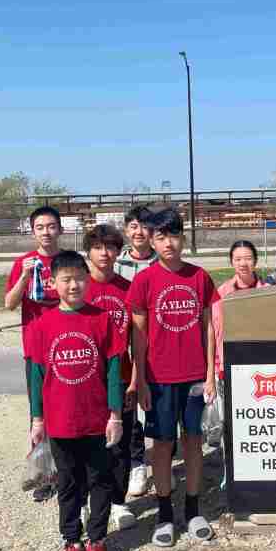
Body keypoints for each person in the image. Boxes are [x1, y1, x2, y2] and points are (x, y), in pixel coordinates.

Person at [27, 250, 125, 551]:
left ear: (88, 280)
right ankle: (72, 542)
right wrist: (37, 420)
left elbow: (114, 369)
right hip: (60, 421)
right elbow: (36, 376)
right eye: (66, 279)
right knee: (67, 484)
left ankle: (97, 541)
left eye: (80, 278)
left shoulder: (101, 320)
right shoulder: (42, 326)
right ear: (52, 284)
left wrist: (115, 415)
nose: (74, 285)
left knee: (100, 479)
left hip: (96, 418)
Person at [127, 208, 219, 547]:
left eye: (174, 236)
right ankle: (165, 513)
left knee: (194, 441)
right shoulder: (144, 281)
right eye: (161, 237)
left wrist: (209, 373)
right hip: (160, 378)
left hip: (194, 375)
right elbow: (138, 336)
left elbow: (209, 327)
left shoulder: (199, 277)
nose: (168, 243)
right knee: (163, 445)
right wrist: (141, 380)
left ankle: (193, 508)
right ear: (152, 240)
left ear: (183, 238)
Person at [83, 224, 139, 532]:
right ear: (88, 252)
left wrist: (135, 380)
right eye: (98, 247)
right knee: (89, 443)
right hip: (87, 380)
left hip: (122, 377)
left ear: (119, 252)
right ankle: (86, 500)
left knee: (120, 444)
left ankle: (118, 502)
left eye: (111, 247)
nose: (105, 253)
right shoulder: (80, 288)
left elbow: (138, 339)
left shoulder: (128, 288)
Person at [5, 206, 62, 502]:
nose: (46, 232)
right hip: (37, 351)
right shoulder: (24, 263)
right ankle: (42, 473)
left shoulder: (69, 263)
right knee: (39, 414)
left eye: (51, 226)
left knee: (67, 411)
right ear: (33, 231)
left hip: (67, 348)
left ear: (60, 230)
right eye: (40, 227)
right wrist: (24, 279)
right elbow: (9, 303)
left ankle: (64, 471)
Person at [113, 205, 158, 499]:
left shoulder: (161, 262)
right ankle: (137, 463)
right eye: (133, 226)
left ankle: (163, 460)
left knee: (159, 402)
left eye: (144, 226)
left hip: (158, 340)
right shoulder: (116, 265)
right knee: (133, 406)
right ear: (127, 231)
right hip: (127, 342)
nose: (138, 232)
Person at [212, 240, 268, 382]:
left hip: (261, 359)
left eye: (248, 258)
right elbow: (216, 330)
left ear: (255, 261)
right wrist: (219, 365)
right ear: (231, 262)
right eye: (238, 259)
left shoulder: (268, 290)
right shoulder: (222, 293)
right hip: (232, 360)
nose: (243, 263)